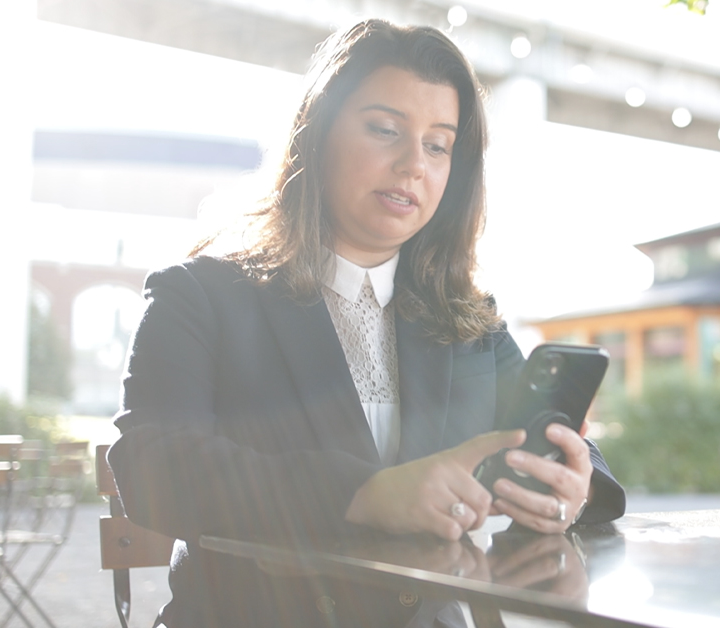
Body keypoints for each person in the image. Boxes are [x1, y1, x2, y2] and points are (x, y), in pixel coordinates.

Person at [107, 19, 626, 628]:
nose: (413, 164)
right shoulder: (199, 295)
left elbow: (564, 447)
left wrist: (574, 482)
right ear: (317, 133)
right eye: (385, 130)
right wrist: (366, 494)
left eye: (438, 145)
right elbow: (152, 465)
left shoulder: (467, 321)